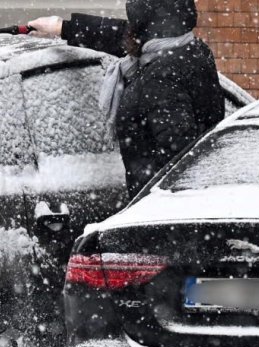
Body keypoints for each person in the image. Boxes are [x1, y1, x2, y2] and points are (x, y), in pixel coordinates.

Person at [29, 0, 224, 198]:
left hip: (155, 212)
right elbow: (119, 35)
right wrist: (63, 28)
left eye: (133, 25)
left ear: (146, 30)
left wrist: (150, 210)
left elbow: (178, 164)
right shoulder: (186, 50)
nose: (128, 30)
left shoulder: (162, 79)